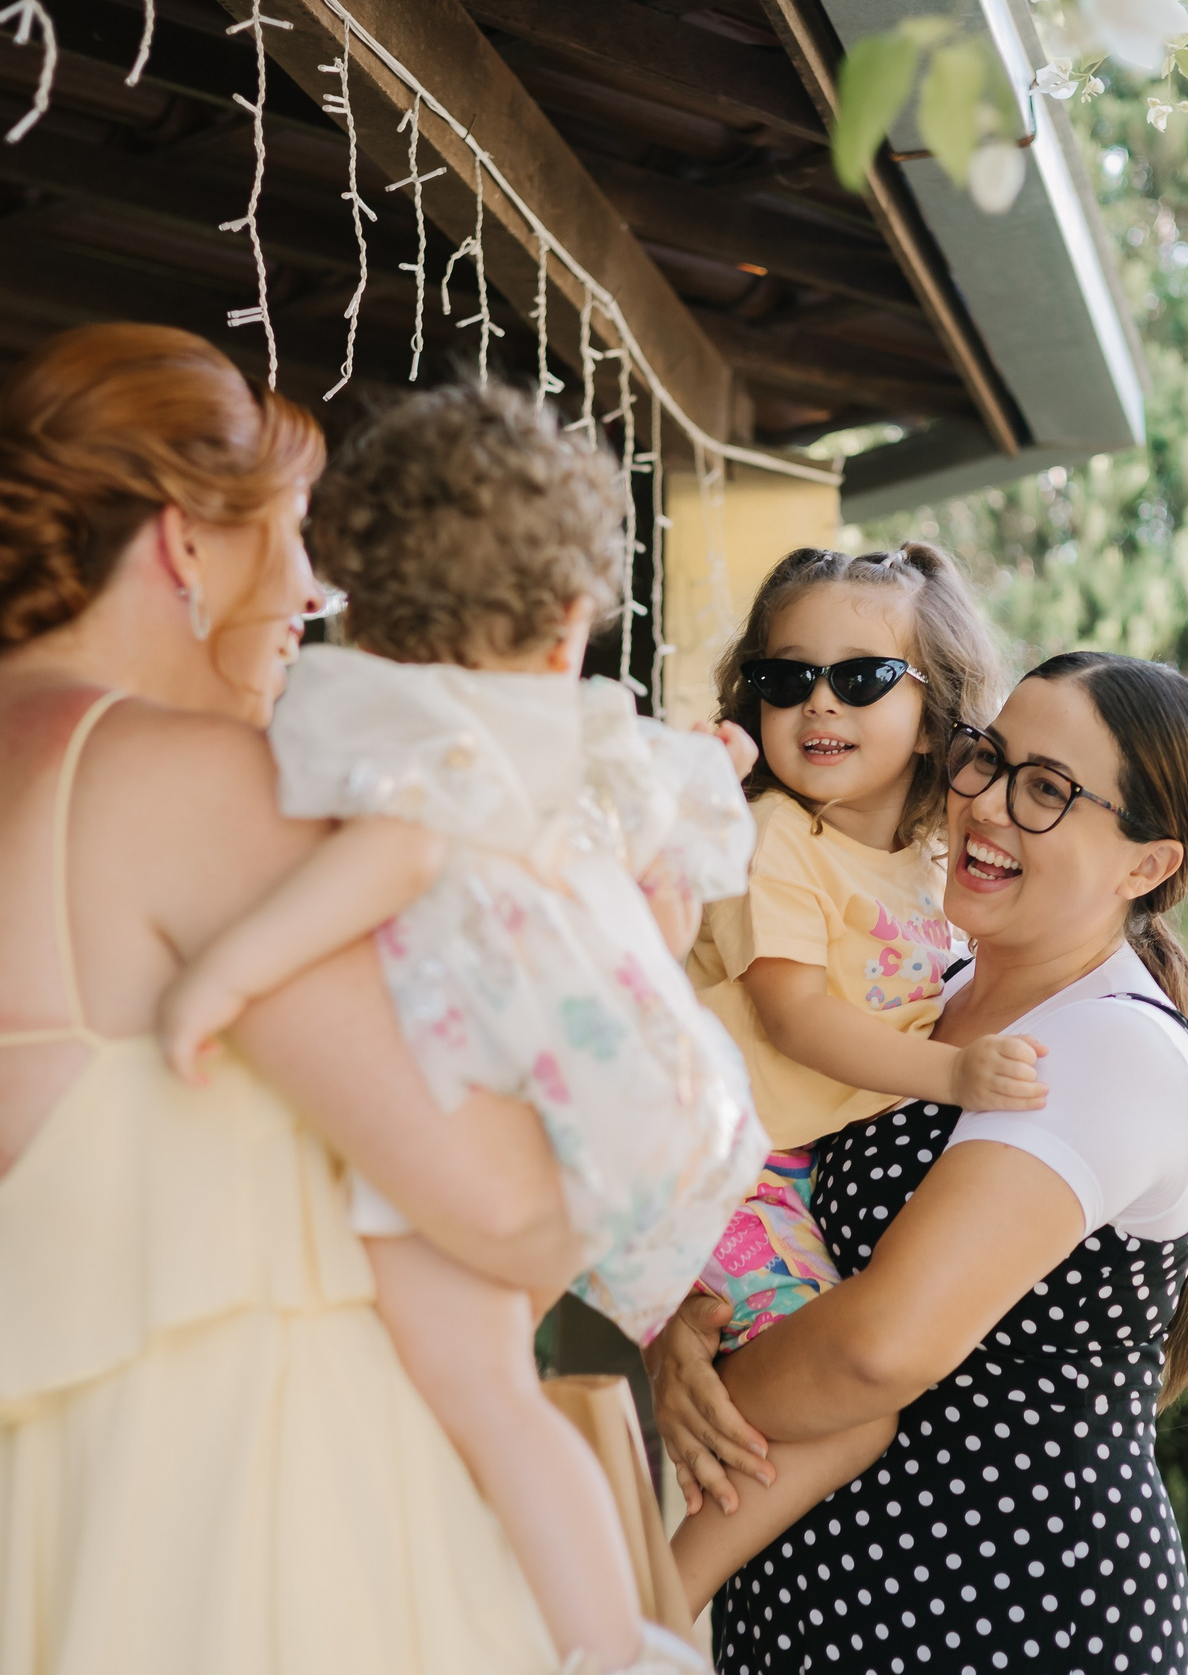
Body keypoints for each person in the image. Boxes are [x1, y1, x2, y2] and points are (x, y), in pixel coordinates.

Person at [0, 324, 603, 1675]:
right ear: (186, 542)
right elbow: (517, 1212)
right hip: (278, 1570)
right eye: (292, 532)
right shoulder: (185, 776)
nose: (315, 586)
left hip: (22, 1599)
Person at [155, 382, 765, 1674]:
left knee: (478, 1387)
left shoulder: (390, 720)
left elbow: (395, 850)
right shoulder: (577, 731)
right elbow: (663, 878)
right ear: (564, 625)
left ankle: (609, 1644)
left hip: (537, 1072)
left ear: (360, 598)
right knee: (496, 1372)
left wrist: (223, 972)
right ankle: (610, 1636)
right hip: (642, 1080)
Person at [649, 652, 1188, 1673]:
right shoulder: (922, 989)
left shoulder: (1115, 1049)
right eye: (990, 759)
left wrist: (709, 1394)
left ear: (1146, 865)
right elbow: (767, 1199)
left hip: (1006, 1613)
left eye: (1050, 791)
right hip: (816, 1607)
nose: (987, 805)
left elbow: (878, 1348)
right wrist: (680, 1334)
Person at [668, 545, 1034, 1600]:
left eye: (861, 678)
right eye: (787, 679)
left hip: (763, 1169)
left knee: (718, 1402)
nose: (818, 702)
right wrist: (954, 1074)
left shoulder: (931, 871)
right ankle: (647, 1617)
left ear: (939, 707)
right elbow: (793, 1014)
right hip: (709, 1158)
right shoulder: (774, 838)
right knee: (854, 1413)